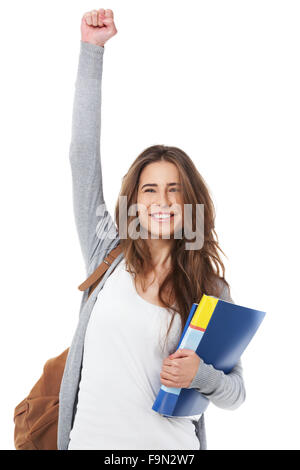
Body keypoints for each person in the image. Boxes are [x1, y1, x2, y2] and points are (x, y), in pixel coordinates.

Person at [58, 8, 246, 451]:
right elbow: (81, 155)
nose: (161, 201)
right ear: (135, 202)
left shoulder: (208, 288)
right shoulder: (107, 252)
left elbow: (236, 393)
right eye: (149, 189)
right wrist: (92, 51)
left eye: (174, 190)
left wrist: (200, 374)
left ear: (189, 202)